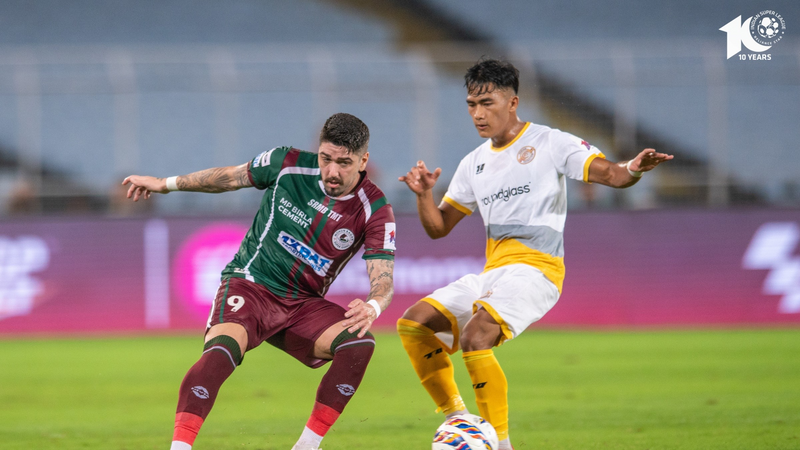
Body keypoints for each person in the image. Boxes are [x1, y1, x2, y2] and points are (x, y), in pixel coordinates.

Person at [397, 59, 672, 449]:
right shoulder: (473, 163)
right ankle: (460, 419)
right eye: (471, 105)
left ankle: (501, 445)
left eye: (487, 103)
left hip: (538, 270)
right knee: (415, 325)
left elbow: (613, 174)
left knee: (477, 336)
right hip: (494, 274)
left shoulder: (550, 142)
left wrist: (634, 167)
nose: (478, 114)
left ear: (513, 102)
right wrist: (425, 194)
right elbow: (438, 227)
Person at [124, 113, 396, 450]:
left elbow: (383, 279)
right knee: (222, 350)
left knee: (359, 344)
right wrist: (164, 184)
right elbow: (228, 178)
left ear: (363, 161)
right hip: (251, 284)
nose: (332, 172)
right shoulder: (287, 164)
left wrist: (373, 306)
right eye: (326, 158)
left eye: (344, 163)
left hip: (302, 304)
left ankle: (306, 446)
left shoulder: (375, 209)